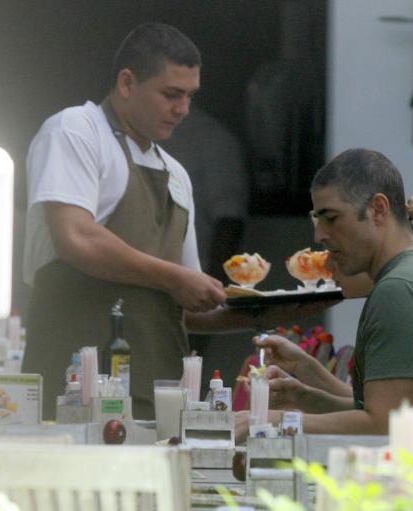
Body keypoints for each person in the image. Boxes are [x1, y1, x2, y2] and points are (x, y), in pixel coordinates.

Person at [22, 22, 326, 419]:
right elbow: (76, 237)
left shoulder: (176, 176)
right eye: (171, 94)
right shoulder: (76, 131)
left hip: (157, 391)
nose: (183, 109)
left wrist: (267, 312)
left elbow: (183, 307)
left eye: (189, 96)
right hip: (74, 391)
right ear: (128, 83)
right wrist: (175, 278)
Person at [238, 148, 413, 439]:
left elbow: (382, 427)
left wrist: (267, 420)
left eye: (331, 218)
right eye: (316, 220)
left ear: (378, 209)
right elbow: (385, 411)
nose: (319, 235)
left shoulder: (399, 290)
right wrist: (303, 394)